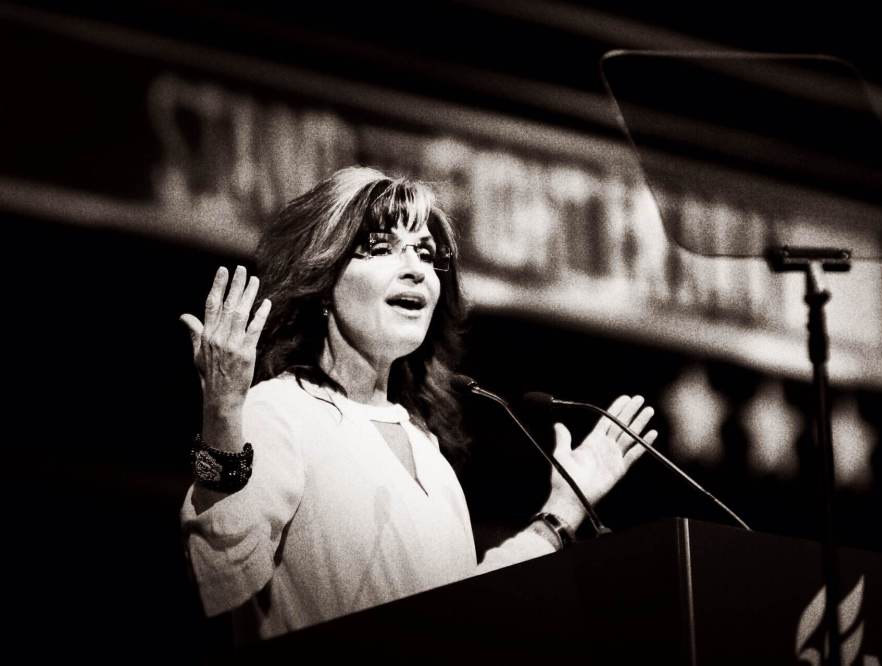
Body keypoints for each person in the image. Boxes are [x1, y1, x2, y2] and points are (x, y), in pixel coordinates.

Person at [179, 166, 658, 643]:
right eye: (383, 248)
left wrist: (561, 511)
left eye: (426, 254)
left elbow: (464, 611)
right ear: (325, 281)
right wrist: (223, 413)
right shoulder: (279, 411)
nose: (415, 268)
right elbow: (221, 572)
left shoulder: (424, 444)